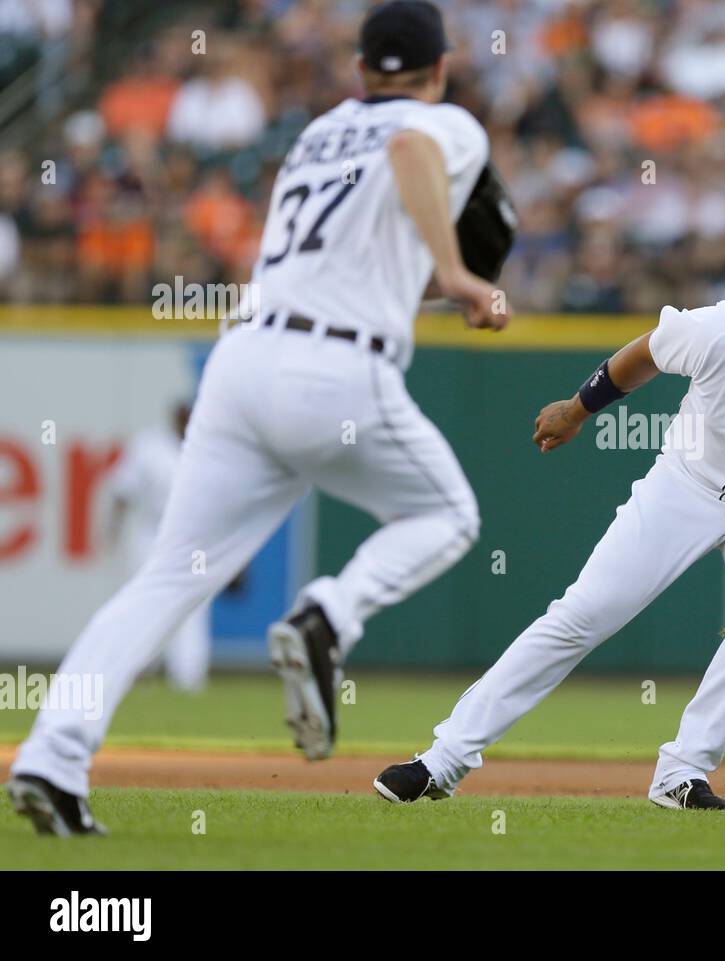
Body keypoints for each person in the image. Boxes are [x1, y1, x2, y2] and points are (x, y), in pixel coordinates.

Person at [8, 0, 508, 836]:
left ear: (359, 70)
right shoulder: (440, 123)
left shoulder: (317, 133)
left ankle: (51, 757)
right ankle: (330, 615)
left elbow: (356, 253)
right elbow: (410, 145)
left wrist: (433, 278)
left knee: (167, 575)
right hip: (340, 368)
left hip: (246, 361)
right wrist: (457, 274)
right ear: (440, 68)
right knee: (448, 515)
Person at [374, 268, 725, 811]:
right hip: (685, 483)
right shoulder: (724, 332)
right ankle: (444, 760)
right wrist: (578, 410)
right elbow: (647, 352)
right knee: (585, 612)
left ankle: (683, 772)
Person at [105, 402, 210, 692]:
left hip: (191, 537)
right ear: (174, 419)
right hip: (150, 533)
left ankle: (188, 676)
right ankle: (138, 669)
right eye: (182, 417)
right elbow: (122, 491)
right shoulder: (148, 445)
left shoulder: (210, 445)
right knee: (144, 599)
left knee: (191, 604)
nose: (186, 422)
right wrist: (112, 531)